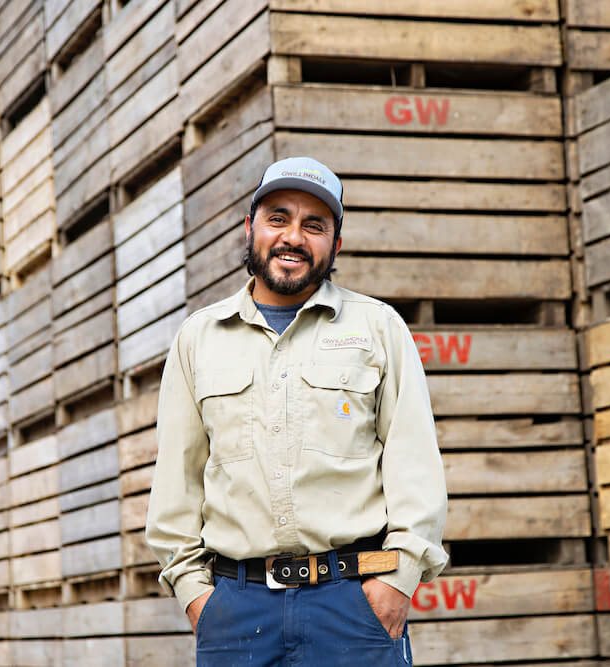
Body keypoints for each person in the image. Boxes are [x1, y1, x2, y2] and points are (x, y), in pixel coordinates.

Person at [146, 156, 448, 666]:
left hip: (352, 604)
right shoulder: (199, 338)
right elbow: (177, 479)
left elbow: (414, 465)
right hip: (236, 611)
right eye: (278, 218)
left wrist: (397, 581)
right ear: (250, 228)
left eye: (315, 226)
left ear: (336, 244)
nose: (293, 237)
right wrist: (198, 596)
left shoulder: (379, 329)